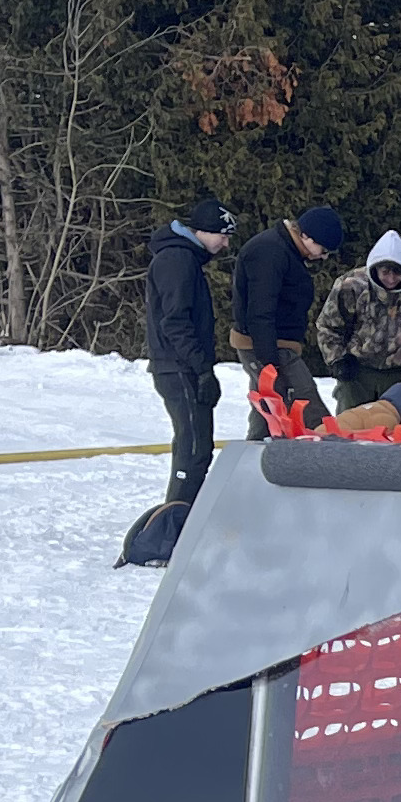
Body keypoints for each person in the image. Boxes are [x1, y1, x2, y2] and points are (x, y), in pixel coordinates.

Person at [122, 197, 234, 568]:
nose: (225, 244)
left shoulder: (184, 258)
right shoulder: (177, 260)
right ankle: (170, 533)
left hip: (181, 366)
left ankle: (184, 525)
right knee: (192, 446)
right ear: (203, 231)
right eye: (222, 236)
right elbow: (175, 321)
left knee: (196, 445)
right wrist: (201, 368)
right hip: (178, 368)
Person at [229, 205, 345, 431]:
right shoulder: (270, 252)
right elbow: (261, 309)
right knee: (303, 403)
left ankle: (257, 456)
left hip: (276, 344)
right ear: (306, 236)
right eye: (324, 249)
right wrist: (268, 361)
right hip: (268, 345)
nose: (323, 256)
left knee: (269, 408)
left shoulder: (285, 250)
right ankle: (327, 449)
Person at [312, 229, 401, 419]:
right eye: (385, 272)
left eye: (397, 273)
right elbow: (328, 326)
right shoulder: (351, 285)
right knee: (351, 428)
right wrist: (337, 360)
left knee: (394, 432)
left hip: (396, 376)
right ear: (375, 267)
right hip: (355, 373)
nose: (390, 279)